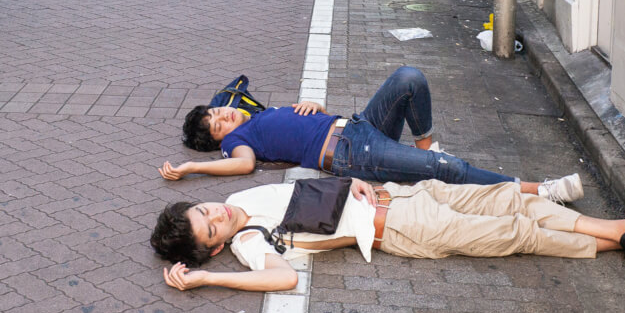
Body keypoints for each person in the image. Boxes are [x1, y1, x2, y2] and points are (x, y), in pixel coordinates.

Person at [151, 179, 625, 292]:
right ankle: (623, 232)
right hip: (403, 227)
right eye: (211, 224)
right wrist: (204, 280)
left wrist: (351, 181)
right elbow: (286, 279)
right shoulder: (249, 247)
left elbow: (303, 188)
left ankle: (623, 230)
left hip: (401, 193)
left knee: (509, 198)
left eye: (205, 208)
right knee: (512, 232)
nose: (218, 211)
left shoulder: (241, 201)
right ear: (215, 245)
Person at [160, 66, 584, 204]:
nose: (226, 117)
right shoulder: (237, 144)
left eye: (220, 111)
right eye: (218, 124)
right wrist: (195, 167)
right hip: (351, 155)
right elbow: (245, 165)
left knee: (408, 78)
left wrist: (317, 107)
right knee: (447, 169)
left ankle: (426, 149)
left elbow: (297, 124)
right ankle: (537, 191)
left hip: (358, 125)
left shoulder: (257, 114)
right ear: (219, 139)